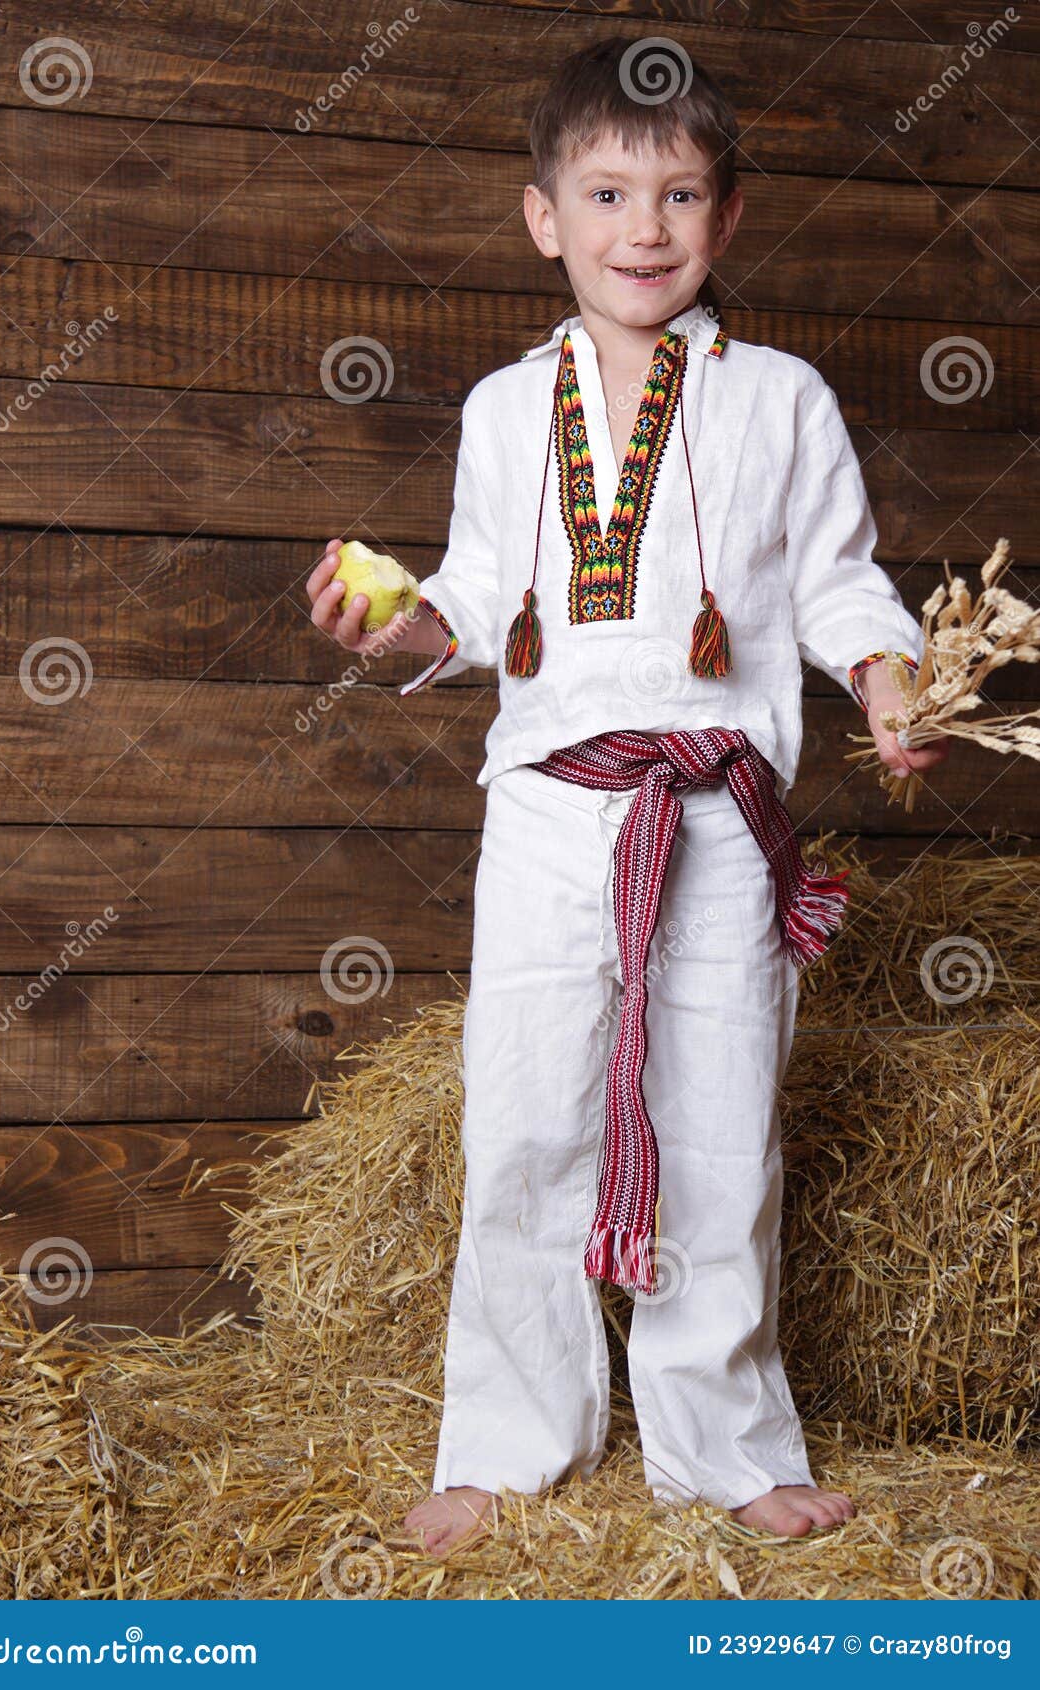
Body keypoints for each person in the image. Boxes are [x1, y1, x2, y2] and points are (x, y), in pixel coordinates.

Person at [306, 36, 950, 1557]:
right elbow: (468, 596)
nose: (642, 227)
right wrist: (400, 625)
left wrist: (886, 680)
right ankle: (509, 1437)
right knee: (524, 1116)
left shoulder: (782, 400)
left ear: (724, 222)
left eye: (677, 195)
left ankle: (726, 1442)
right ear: (546, 218)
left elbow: (846, 584)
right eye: (606, 192)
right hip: (547, 809)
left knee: (719, 1120)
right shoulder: (499, 409)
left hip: (720, 820)